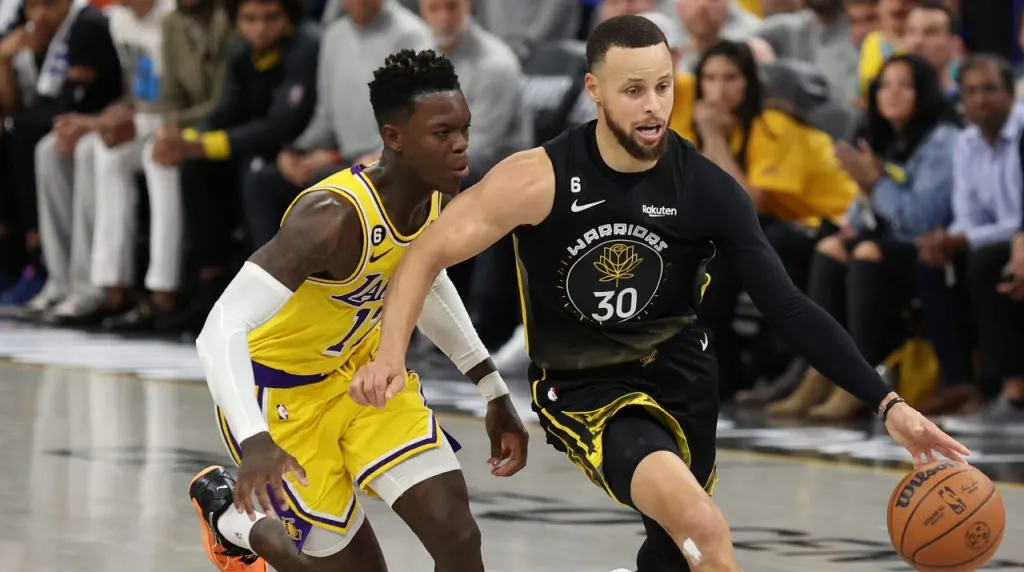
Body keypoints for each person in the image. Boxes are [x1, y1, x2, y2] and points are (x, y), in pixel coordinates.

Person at [352, 15, 971, 572]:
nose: (654, 106)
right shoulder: (537, 178)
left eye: (664, 86)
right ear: (593, 90)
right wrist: (389, 354)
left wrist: (890, 405)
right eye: (633, 90)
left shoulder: (706, 188)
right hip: (588, 388)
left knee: (672, 555)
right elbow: (426, 252)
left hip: (684, 381)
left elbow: (788, 307)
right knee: (706, 531)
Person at [187, 49, 529, 572]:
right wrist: (255, 442)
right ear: (395, 138)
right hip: (284, 399)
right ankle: (236, 519)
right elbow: (219, 329)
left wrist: (491, 386)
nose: (460, 144)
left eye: (464, 128)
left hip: (367, 377)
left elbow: (424, 285)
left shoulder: (433, 194)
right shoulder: (330, 219)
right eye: (442, 133)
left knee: (458, 537)